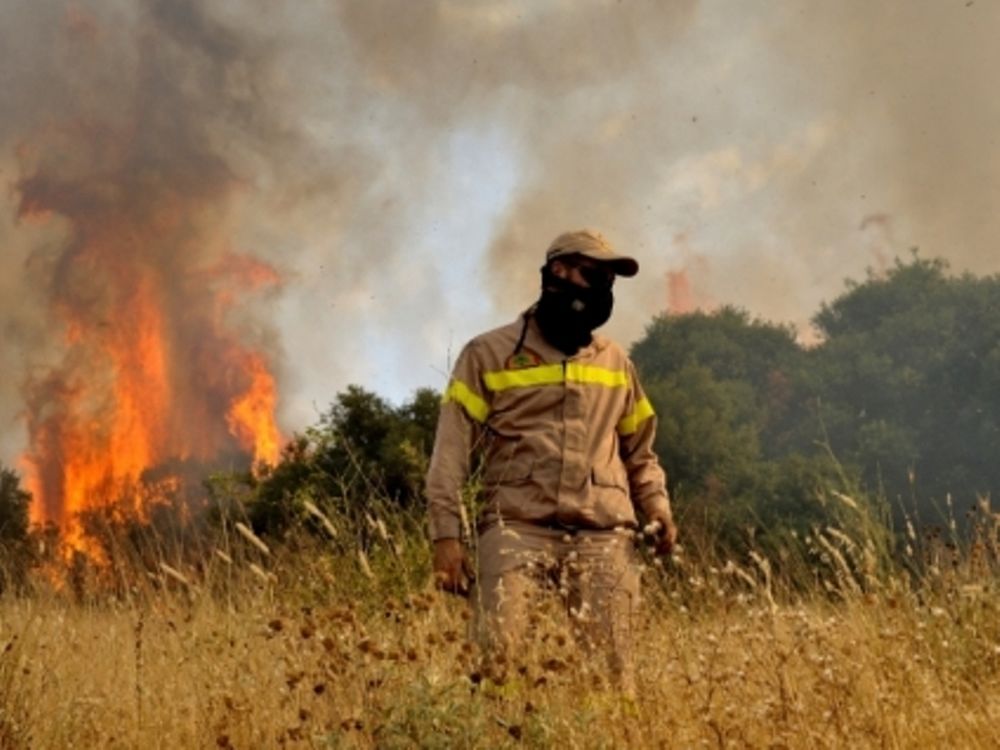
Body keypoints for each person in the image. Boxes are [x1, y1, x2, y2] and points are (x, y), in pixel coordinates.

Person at [425, 228, 677, 692]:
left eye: (610, 279)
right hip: (514, 528)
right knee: (497, 664)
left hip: (604, 536)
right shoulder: (489, 355)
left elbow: (640, 451)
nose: (603, 287)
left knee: (614, 677)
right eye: (593, 273)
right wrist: (447, 536)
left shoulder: (616, 362)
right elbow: (450, 453)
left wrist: (658, 506)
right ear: (558, 271)